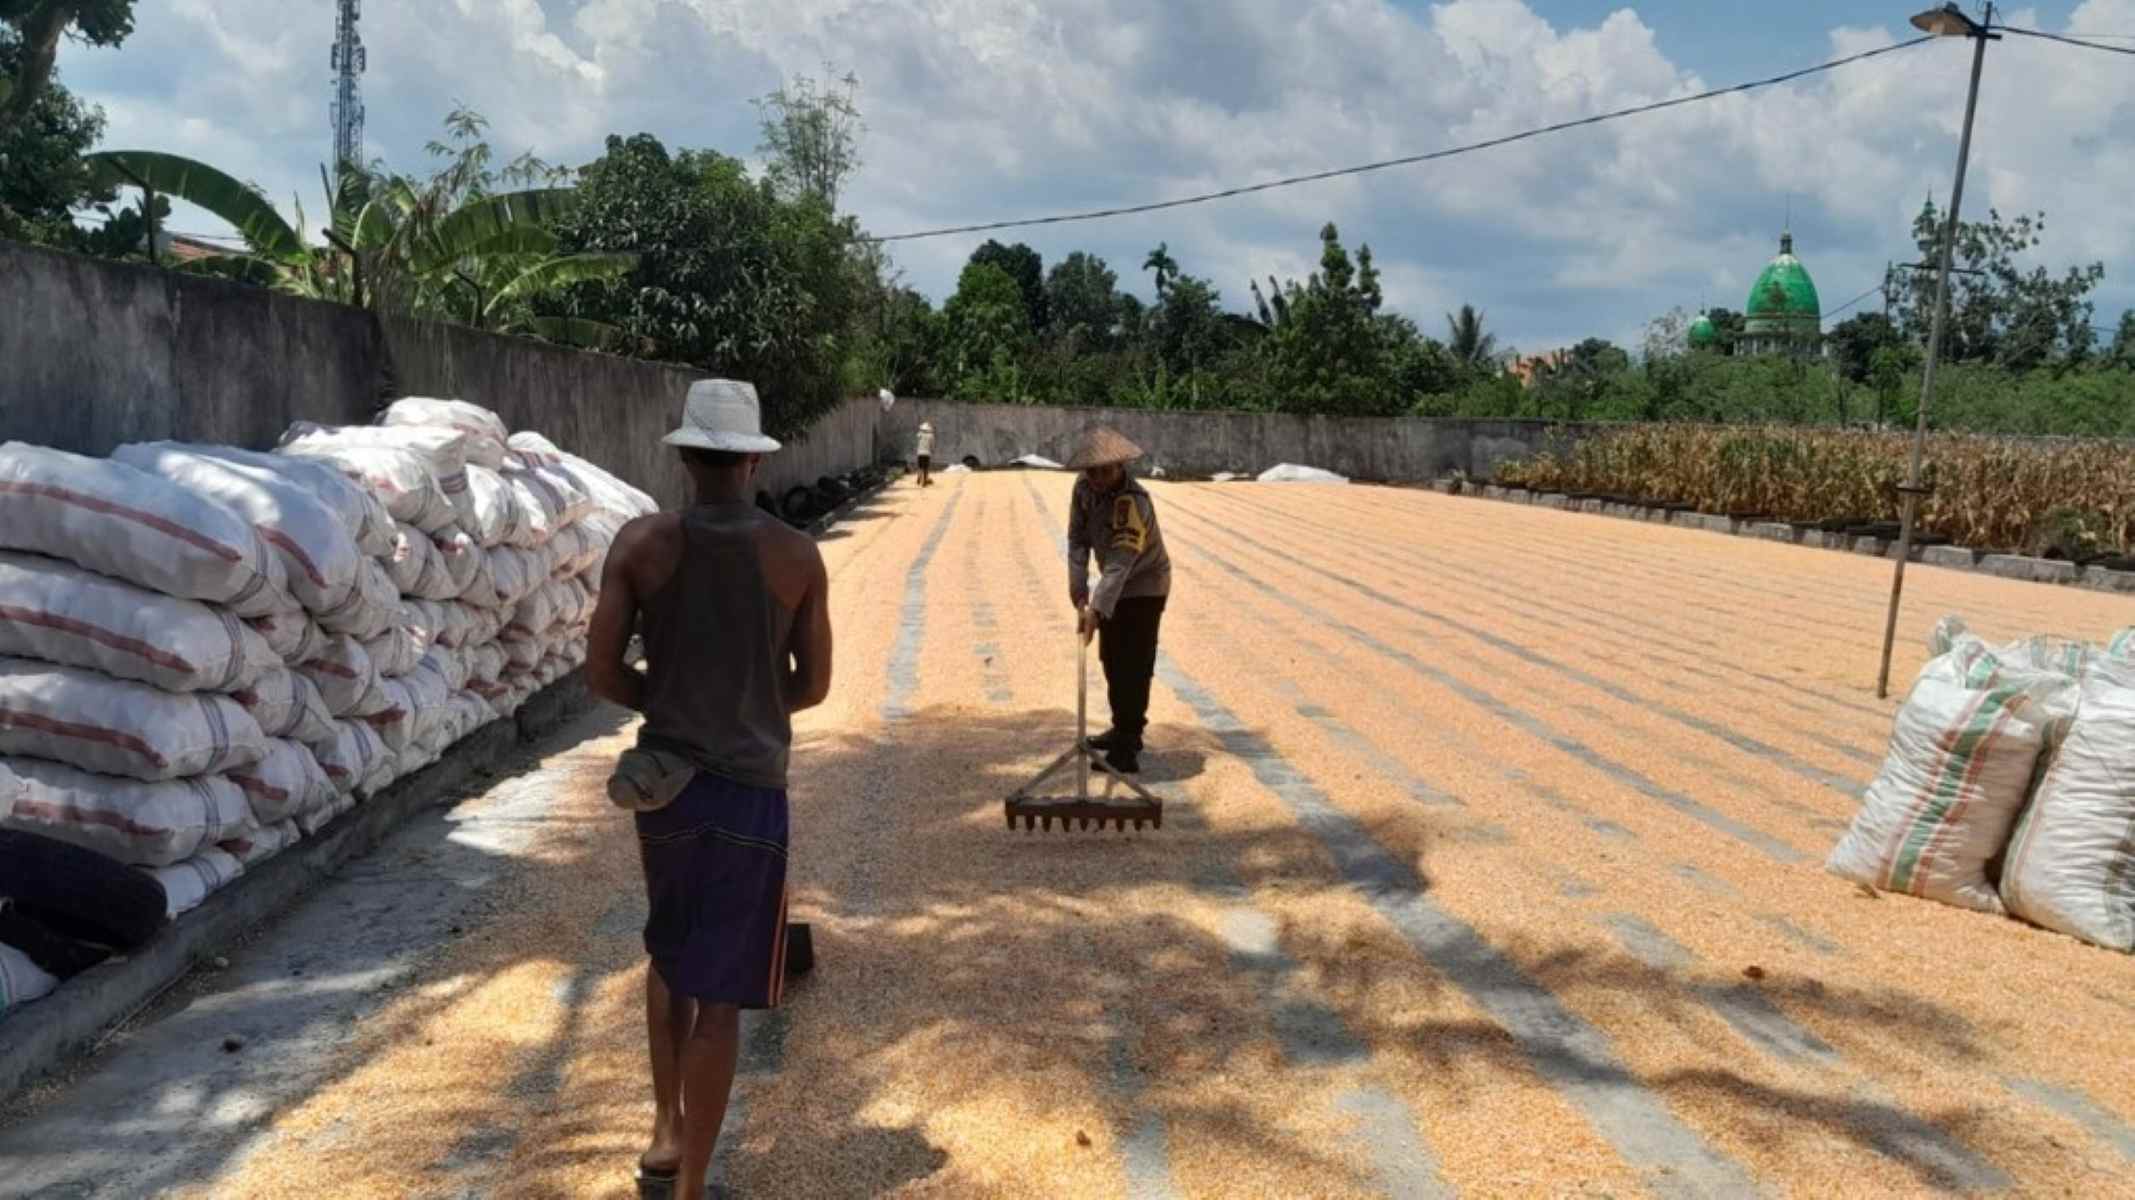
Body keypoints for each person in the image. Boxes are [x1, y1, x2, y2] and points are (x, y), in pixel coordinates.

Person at [585, 378, 834, 1199]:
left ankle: (663, 1132)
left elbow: (600, 671)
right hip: (750, 791)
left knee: (670, 953)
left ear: (688, 456)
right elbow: (814, 684)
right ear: (754, 464)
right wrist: (748, 709)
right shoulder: (796, 557)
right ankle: (691, 1185)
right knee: (722, 993)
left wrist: (669, 704)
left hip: (666, 787)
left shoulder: (641, 544)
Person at [1064, 425, 1171, 775]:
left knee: (1133, 662)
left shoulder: (1132, 502)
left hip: (1144, 584)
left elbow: (1122, 562)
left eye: (1105, 471)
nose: (1097, 478)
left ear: (1121, 467)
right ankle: (1120, 727)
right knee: (1110, 657)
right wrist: (1078, 588)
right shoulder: (1083, 490)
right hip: (1113, 583)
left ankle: (1129, 741)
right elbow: (1077, 540)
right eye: (1091, 471)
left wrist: (1096, 608)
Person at [914, 420, 935, 488]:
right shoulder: (931, 436)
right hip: (927, 453)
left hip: (920, 452)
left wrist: (921, 431)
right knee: (925, 467)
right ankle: (924, 481)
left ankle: (919, 478)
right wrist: (932, 450)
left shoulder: (920, 434)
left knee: (920, 466)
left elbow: (917, 435)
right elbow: (932, 445)